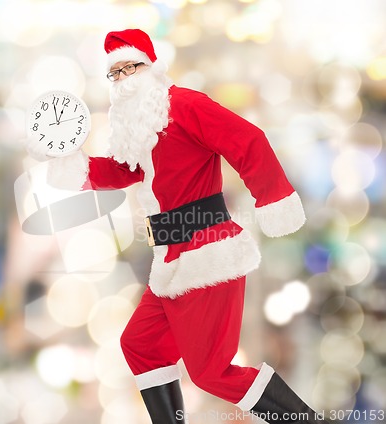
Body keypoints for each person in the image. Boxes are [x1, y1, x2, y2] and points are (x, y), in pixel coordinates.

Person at [27, 29, 328, 424]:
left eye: (128, 67)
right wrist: (69, 161)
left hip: (207, 251)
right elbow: (122, 170)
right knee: (141, 344)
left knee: (211, 373)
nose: (122, 80)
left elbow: (247, 139)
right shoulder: (142, 128)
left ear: (150, 67)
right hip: (169, 257)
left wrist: (273, 199)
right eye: (114, 74)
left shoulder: (185, 105)